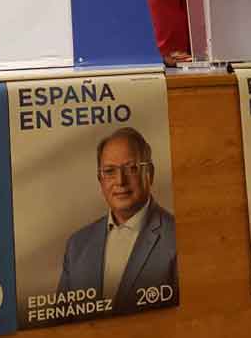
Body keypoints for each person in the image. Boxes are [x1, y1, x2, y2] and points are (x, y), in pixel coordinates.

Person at [57, 127, 176, 313]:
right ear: (100, 180)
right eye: (110, 171)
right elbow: (61, 323)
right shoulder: (77, 245)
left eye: (131, 169)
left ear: (150, 174)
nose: (120, 181)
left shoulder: (177, 238)